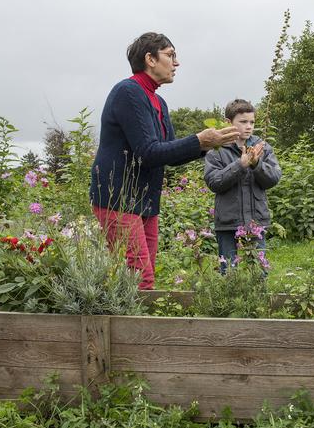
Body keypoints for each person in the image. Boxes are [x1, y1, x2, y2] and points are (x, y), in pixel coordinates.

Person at [90, 32, 239, 290]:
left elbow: (167, 153)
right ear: (150, 59)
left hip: (145, 201)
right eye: (170, 55)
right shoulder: (128, 92)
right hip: (118, 199)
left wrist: (206, 145)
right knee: (138, 278)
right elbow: (148, 152)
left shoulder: (158, 101)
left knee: (144, 278)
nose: (176, 63)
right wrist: (199, 139)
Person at [203, 99, 282, 273]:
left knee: (259, 271)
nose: (249, 126)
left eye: (252, 122)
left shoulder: (262, 147)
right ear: (229, 123)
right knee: (228, 271)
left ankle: (259, 299)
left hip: (256, 222)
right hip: (228, 222)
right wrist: (241, 164)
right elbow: (214, 182)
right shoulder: (217, 150)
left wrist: (256, 164)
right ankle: (228, 300)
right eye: (243, 122)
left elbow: (274, 178)